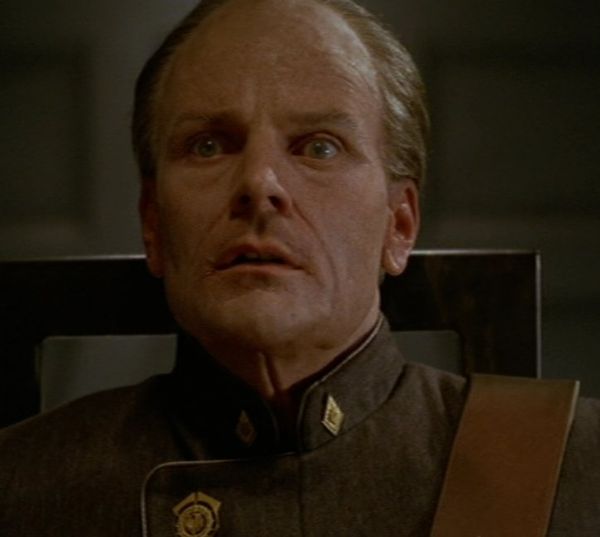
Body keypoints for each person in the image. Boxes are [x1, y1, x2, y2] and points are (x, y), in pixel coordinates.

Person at [1, 0, 598, 535]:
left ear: (399, 225)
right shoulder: (21, 487)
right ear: (153, 224)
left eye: (319, 146)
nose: (259, 183)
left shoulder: (579, 467)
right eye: (209, 145)